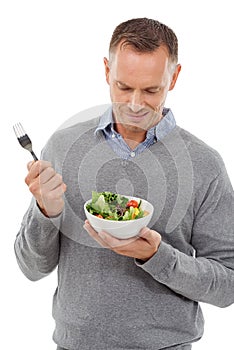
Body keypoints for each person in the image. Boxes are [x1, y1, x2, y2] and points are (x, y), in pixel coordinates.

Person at [14, 17, 234, 350]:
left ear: (173, 77)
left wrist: (157, 256)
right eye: (123, 86)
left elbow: (227, 284)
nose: (133, 104)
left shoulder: (204, 164)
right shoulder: (62, 147)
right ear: (106, 71)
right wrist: (46, 212)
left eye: (150, 90)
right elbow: (31, 268)